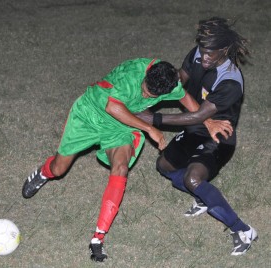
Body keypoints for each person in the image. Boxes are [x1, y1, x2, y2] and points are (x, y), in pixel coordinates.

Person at [22, 57, 231, 262]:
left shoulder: (169, 82)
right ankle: (42, 173)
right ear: (147, 75)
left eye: (149, 95)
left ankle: (98, 238)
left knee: (121, 167)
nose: (143, 94)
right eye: (144, 89)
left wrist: (209, 121)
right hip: (90, 113)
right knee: (59, 169)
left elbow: (185, 98)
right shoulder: (132, 74)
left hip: (120, 126)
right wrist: (150, 128)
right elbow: (113, 107)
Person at [139, 17, 257, 256]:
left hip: (219, 137)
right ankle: (203, 197)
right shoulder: (198, 54)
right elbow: (181, 78)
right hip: (195, 129)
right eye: (202, 52)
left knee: (193, 179)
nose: (203, 58)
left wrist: (153, 119)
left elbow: (198, 116)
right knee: (163, 165)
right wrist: (155, 92)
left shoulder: (230, 82)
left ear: (224, 50)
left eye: (209, 54)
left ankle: (242, 229)